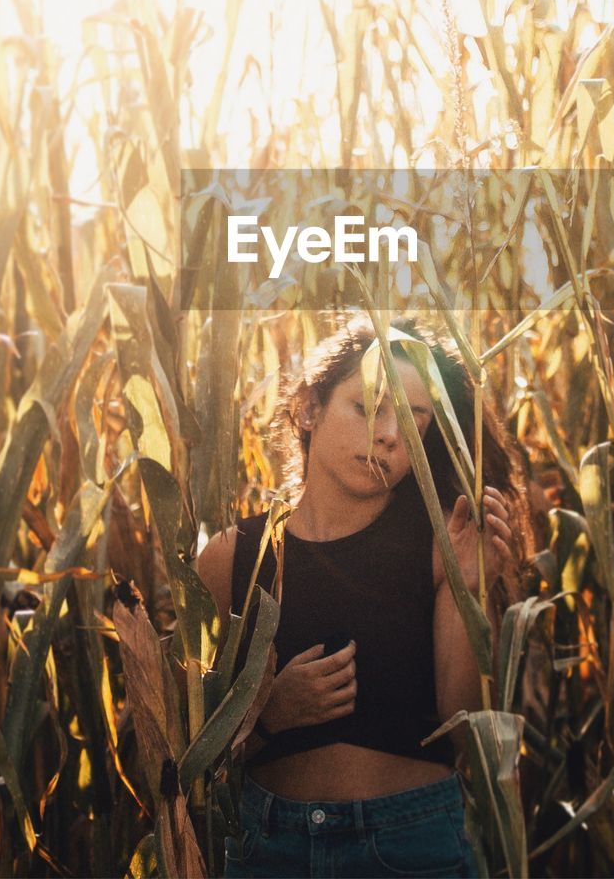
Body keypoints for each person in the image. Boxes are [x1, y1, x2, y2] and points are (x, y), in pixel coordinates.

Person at [196, 314, 533, 878]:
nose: (389, 435)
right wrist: (268, 713)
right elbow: (183, 756)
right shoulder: (233, 556)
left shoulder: (443, 546)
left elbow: (467, 731)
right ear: (309, 407)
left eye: (413, 419)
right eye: (367, 405)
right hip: (270, 848)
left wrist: (466, 588)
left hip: (409, 843)